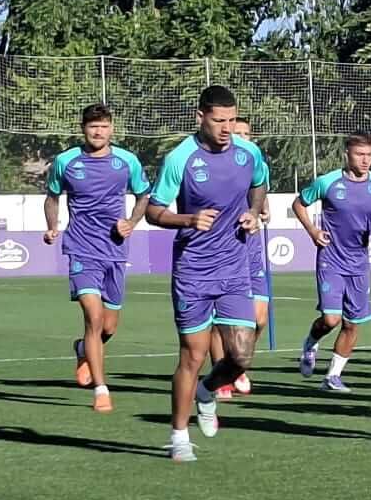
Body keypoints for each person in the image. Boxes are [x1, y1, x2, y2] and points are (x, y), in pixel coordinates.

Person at [144, 86, 270, 461]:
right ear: (200, 117)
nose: (227, 128)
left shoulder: (249, 152)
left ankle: (206, 391)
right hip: (194, 271)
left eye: (232, 120)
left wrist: (253, 211)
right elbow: (153, 211)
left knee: (241, 357)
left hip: (234, 267)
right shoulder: (180, 159)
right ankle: (179, 436)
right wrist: (187, 219)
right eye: (219, 121)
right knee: (193, 354)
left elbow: (259, 185)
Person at [42, 103, 150, 414]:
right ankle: (101, 389)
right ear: (83, 129)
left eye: (103, 126)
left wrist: (131, 222)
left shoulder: (127, 161)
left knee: (109, 326)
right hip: (80, 248)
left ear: (111, 129)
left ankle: (82, 349)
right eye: (92, 126)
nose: (98, 131)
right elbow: (52, 197)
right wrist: (52, 227)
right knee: (93, 315)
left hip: (114, 251)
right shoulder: (66, 161)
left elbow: (143, 195)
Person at [292, 132, 371, 393]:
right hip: (331, 259)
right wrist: (313, 231)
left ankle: (332, 377)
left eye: (369, 155)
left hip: (360, 263)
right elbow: (299, 204)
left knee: (352, 324)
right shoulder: (327, 183)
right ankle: (310, 342)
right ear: (346, 155)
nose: (365, 160)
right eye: (360, 154)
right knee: (330, 320)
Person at [214, 117, 271, 396]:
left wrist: (263, 211)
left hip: (251, 246)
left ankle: (237, 364)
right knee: (220, 320)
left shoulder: (255, 159)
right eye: (237, 133)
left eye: (246, 133)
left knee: (259, 318)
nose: (242, 138)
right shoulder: (218, 163)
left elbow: (261, 193)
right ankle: (221, 374)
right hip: (223, 247)